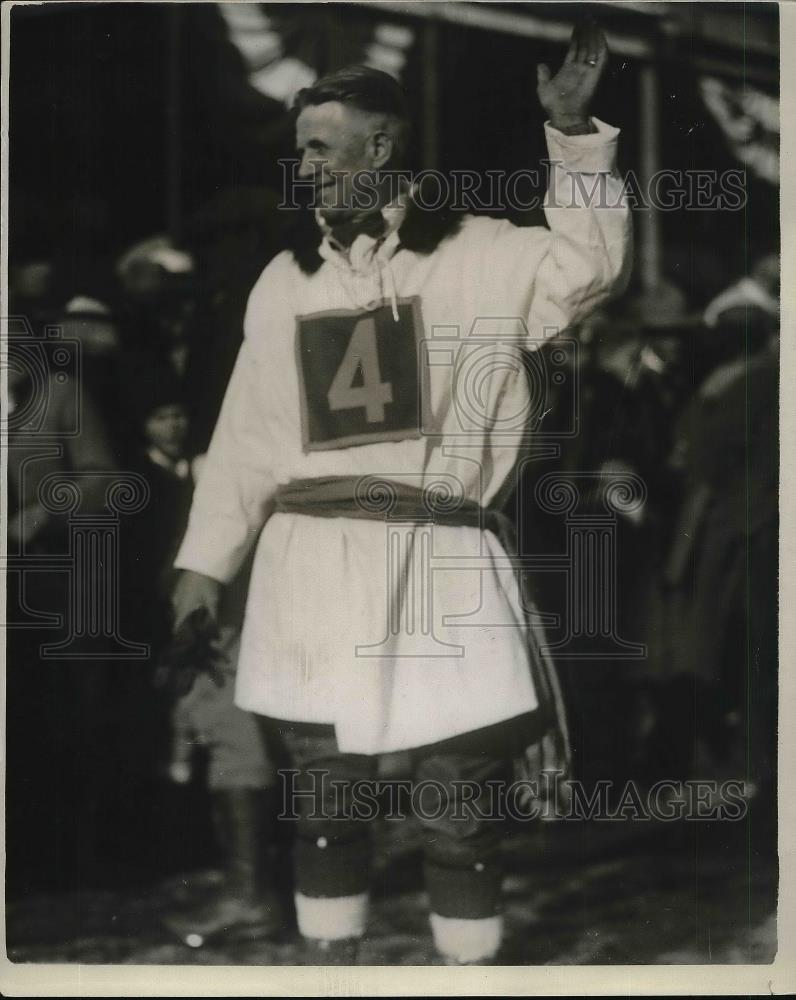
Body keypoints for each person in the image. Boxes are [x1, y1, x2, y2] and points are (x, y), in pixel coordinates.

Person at [172, 21, 631, 965]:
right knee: (327, 809)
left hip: (442, 562)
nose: (302, 168)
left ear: (380, 148)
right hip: (309, 569)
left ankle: (469, 978)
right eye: (296, 150)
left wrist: (575, 141)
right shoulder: (280, 282)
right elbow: (247, 443)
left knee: (456, 809)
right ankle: (331, 978)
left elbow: (590, 270)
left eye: (320, 147)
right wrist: (203, 564)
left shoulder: (481, 253)